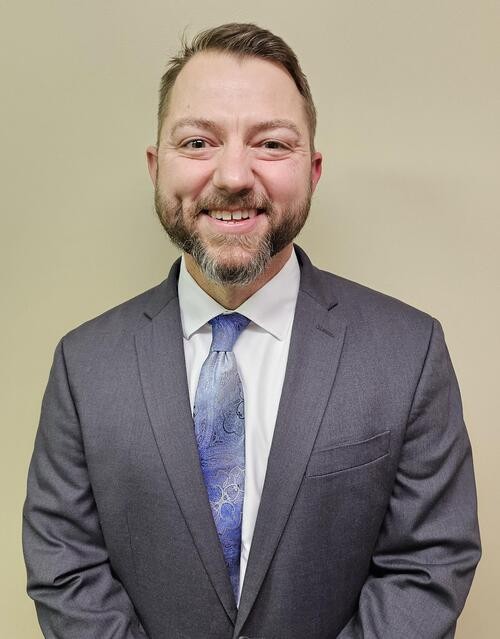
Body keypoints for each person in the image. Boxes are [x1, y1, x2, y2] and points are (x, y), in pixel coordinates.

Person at [23, 22, 481, 639]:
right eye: (198, 142)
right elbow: (66, 567)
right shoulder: (84, 367)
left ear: (313, 169)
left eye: (270, 143)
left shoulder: (408, 353)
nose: (234, 175)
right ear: (156, 168)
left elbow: (428, 564)